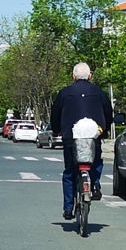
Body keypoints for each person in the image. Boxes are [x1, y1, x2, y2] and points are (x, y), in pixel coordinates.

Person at [51, 62, 114, 220]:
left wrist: (56, 130)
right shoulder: (99, 92)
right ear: (90, 76)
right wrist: (104, 130)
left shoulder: (64, 93)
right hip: (94, 136)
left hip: (70, 138)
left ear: (73, 76)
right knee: (96, 161)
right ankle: (95, 184)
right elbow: (108, 113)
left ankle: (68, 208)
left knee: (70, 172)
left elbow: (55, 114)